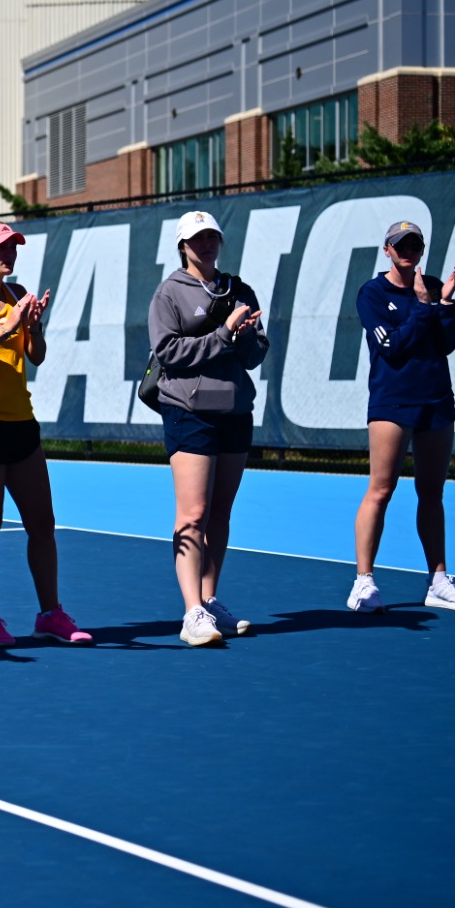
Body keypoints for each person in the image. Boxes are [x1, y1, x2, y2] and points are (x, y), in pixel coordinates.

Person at [0, 223, 91, 647]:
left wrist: (34, 328)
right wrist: (6, 327)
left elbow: (35, 356)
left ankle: (50, 614)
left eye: (12, 247)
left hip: (20, 422)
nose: (8, 253)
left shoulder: (16, 293)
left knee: (43, 523)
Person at [147, 211, 268, 647]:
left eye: (212, 236)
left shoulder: (241, 290)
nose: (206, 244)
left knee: (220, 513)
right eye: (198, 239)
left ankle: (211, 598)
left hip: (235, 410)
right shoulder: (169, 293)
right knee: (193, 515)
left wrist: (248, 335)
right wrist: (223, 332)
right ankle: (191, 612)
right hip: (188, 411)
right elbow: (167, 351)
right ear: (183, 245)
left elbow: (255, 356)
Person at [351, 220, 455, 613]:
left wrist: (446, 303)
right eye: (400, 244)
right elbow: (391, 347)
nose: (408, 250)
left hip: (436, 400)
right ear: (387, 250)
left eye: (414, 244)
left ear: (421, 250)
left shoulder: (435, 286)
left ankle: (438, 581)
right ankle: (363, 583)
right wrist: (425, 307)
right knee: (382, 488)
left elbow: (448, 343)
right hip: (393, 402)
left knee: (432, 493)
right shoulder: (372, 294)